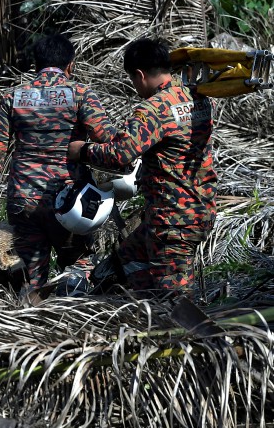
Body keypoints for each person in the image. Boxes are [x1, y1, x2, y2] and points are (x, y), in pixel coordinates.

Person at [0, 33, 117, 293]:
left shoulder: (14, 97)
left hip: (24, 200)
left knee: (30, 276)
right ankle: (72, 322)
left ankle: (30, 322)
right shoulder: (81, 94)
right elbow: (107, 140)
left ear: (36, 64)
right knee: (78, 267)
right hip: (71, 202)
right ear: (70, 64)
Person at [67, 38, 216, 296]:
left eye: (133, 80)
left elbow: (120, 155)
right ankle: (142, 301)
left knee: (176, 298)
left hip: (173, 220)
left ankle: (179, 330)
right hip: (197, 210)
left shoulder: (154, 109)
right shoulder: (199, 98)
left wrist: (82, 151)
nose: (135, 87)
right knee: (125, 257)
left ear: (140, 74)